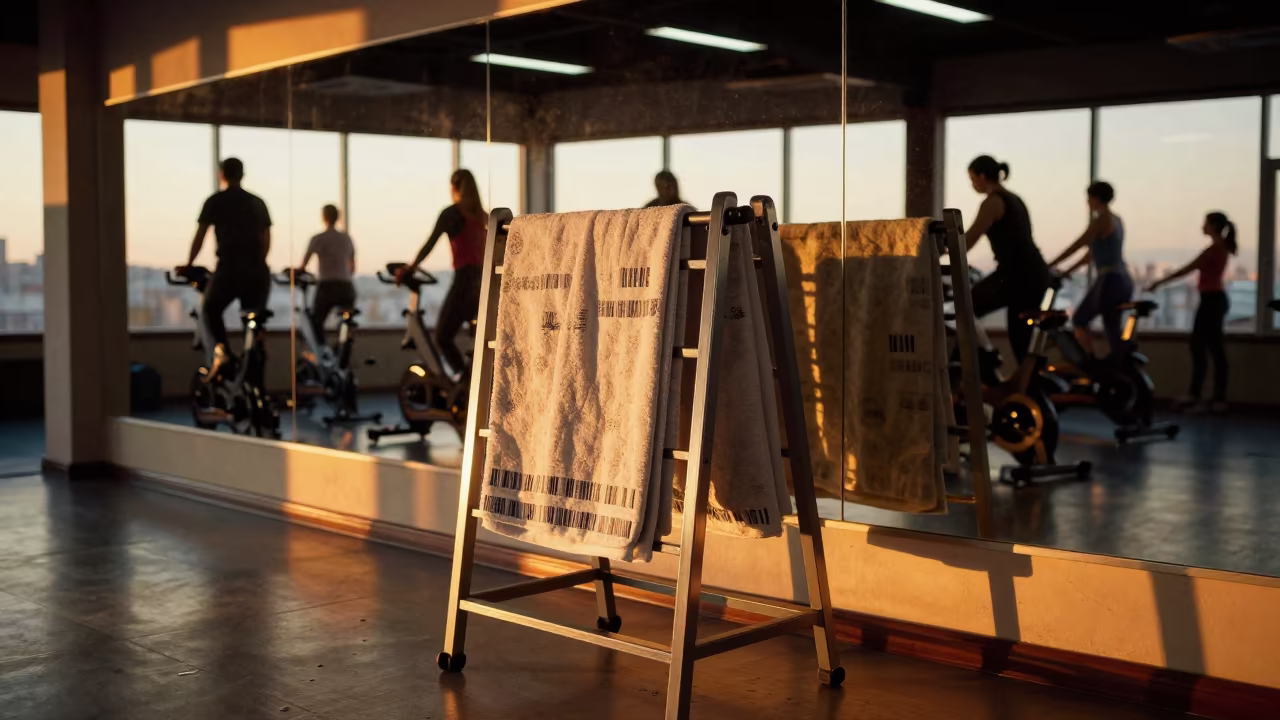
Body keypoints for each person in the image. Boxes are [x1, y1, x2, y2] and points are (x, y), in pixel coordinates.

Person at [180, 157, 272, 378]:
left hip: (230, 267)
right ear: (242, 174)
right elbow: (266, 237)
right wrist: (258, 260)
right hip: (257, 271)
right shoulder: (257, 202)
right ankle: (254, 373)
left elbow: (201, 235)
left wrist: (189, 264)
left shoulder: (215, 201)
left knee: (209, 311)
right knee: (252, 321)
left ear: (222, 174)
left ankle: (223, 353)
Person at [396, 169, 486, 377]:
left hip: (465, 280)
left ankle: (462, 380)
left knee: (442, 337)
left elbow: (429, 244)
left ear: (454, 188)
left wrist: (410, 268)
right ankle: (467, 380)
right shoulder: (483, 216)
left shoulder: (451, 214)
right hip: (483, 281)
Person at [961, 156, 1052, 362]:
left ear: (983, 176)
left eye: (973, 178)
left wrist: (932, 249)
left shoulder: (992, 202)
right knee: (1020, 336)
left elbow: (966, 242)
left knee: (965, 306)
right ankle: (1028, 383)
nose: (972, 184)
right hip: (1033, 272)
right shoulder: (1014, 199)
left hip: (1018, 274)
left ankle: (984, 361)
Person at [1147, 211, 1236, 413]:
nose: (1202, 227)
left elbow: (1186, 269)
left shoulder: (1213, 250)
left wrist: (1159, 283)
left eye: (1205, 223)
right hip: (1214, 300)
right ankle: (1210, 397)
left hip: (1211, 302)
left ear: (1213, 225)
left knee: (1202, 347)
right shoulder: (1221, 248)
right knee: (1211, 349)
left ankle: (1201, 396)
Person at [1047, 181, 1133, 359]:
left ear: (1095, 198)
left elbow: (1081, 243)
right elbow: (1091, 255)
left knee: (1079, 319)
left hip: (1109, 280)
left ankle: (1090, 362)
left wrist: (1050, 263)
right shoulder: (1117, 220)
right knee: (1112, 328)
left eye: (1088, 198)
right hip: (1123, 279)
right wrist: (1066, 271)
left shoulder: (1101, 219)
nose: (1087, 202)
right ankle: (1115, 367)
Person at [299, 204, 356, 350]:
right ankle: (341, 353)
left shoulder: (318, 238)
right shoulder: (346, 238)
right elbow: (352, 267)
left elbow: (303, 266)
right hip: (346, 285)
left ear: (324, 217)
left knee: (316, 323)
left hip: (327, 285)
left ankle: (324, 353)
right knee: (346, 323)